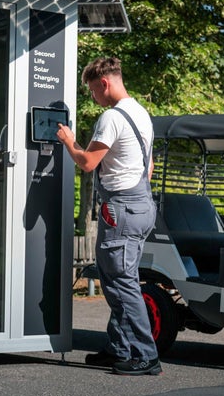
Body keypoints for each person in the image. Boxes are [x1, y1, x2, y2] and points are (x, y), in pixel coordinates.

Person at [56, 57, 160, 376]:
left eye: (92, 91)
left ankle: (146, 356)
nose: (93, 97)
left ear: (105, 83)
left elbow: (87, 162)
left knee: (121, 283)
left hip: (122, 208)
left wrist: (68, 141)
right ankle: (118, 348)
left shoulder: (111, 117)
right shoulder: (142, 114)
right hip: (142, 203)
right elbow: (149, 167)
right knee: (118, 279)